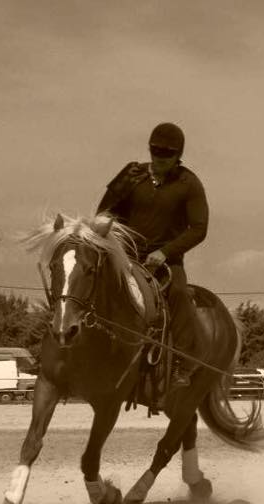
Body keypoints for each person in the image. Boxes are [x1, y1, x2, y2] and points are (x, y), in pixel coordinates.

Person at [96, 122, 208, 387]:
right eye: (155, 151)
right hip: (126, 255)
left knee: (179, 293)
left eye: (167, 154)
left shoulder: (189, 183)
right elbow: (103, 213)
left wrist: (165, 252)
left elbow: (199, 229)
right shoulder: (131, 174)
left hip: (165, 261)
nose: (159, 157)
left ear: (178, 155)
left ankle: (183, 362)